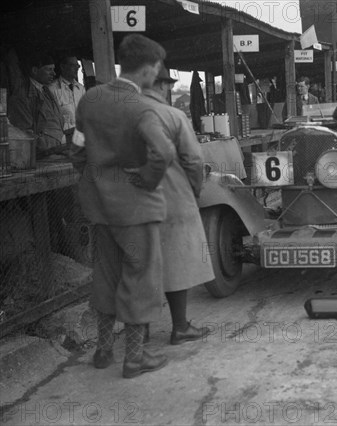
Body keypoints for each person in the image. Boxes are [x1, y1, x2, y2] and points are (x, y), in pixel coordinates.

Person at [71, 34, 173, 379]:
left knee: (105, 276)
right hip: (135, 210)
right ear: (148, 69)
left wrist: (94, 175)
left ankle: (103, 351)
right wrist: (145, 177)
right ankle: (134, 358)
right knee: (139, 279)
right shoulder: (141, 107)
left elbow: (78, 148)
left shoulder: (89, 99)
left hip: (99, 206)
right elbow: (163, 152)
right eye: (156, 69)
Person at [142, 65, 215, 345]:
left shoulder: (125, 113)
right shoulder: (172, 115)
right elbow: (194, 160)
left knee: (142, 265)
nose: (170, 90)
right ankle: (180, 327)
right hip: (172, 196)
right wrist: (195, 189)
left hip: (134, 202)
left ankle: (142, 333)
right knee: (178, 262)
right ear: (161, 85)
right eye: (168, 86)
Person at [8, 53, 66, 157]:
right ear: (35, 71)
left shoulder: (46, 91)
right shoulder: (22, 96)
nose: (53, 73)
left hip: (55, 153)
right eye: (49, 69)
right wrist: (52, 147)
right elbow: (24, 135)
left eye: (53, 69)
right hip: (41, 157)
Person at [48, 55, 85, 146]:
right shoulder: (52, 89)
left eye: (77, 66)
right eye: (73, 65)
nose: (76, 68)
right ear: (63, 67)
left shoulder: (81, 89)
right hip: (63, 140)